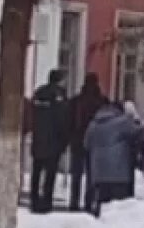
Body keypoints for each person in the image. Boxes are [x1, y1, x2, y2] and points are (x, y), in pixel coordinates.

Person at [83, 102, 144, 216]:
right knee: (119, 209)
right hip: (119, 172)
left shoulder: (93, 124)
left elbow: (86, 144)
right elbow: (140, 132)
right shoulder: (123, 122)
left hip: (99, 172)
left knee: (102, 205)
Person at [28, 70, 69, 214]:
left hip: (38, 138)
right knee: (50, 174)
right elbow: (62, 119)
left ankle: (34, 200)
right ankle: (46, 202)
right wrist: (64, 140)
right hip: (53, 141)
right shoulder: (59, 96)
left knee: (37, 171)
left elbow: (31, 113)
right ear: (59, 80)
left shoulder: (38, 93)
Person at [68, 74, 108, 213]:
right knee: (93, 174)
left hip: (78, 140)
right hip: (96, 143)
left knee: (76, 174)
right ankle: (89, 202)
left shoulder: (76, 101)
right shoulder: (102, 102)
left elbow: (69, 122)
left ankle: (74, 201)